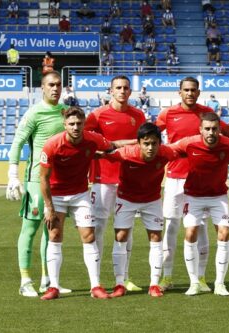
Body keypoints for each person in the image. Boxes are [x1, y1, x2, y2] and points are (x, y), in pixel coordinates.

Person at [156, 77, 229, 292]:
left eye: (193, 90)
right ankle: (167, 277)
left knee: (199, 228)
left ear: (199, 92)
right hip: (176, 177)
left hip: (202, 180)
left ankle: (201, 278)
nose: (190, 93)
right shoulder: (168, 113)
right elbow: (151, 134)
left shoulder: (206, 115)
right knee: (172, 225)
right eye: (186, 90)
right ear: (179, 92)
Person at [38, 107, 117, 300]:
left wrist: (134, 144)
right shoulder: (52, 145)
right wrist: (49, 207)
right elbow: (43, 179)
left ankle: (95, 286)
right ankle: (53, 287)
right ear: (64, 125)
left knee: (89, 236)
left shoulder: (93, 139)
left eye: (79, 123)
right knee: (55, 235)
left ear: (84, 123)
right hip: (56, 195)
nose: (75, 127)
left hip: (81, 194)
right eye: (71, 124)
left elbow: (112, 147)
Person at [6, 72, 72, 297]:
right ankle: (25, 280)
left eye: (59, 85)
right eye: (51, 85)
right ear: (42, 88)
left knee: (51, 229)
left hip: (59, 180)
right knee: (31, 228)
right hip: (37, 179)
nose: (55, 88)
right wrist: (13, 175)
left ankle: (48, 280)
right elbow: (18, 142)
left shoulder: (64, 111)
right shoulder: (34, 112)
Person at [171, 113, 229, 296]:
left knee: (224, 233)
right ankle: (194, 282)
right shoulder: (188, 143)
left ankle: (220, 283)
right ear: (200, 129)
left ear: (220, 129)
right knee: (190, 233)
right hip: (193, 196)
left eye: (214, 129)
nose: (211, 132)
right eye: (207, 128)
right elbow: (166, 150)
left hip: (218, 196)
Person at [84, 75, 146, 293]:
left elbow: (144, 144)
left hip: (129, 179)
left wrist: (117, 148)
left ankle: (124, 277)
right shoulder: (98, 115)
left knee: (125, 229)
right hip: (103, 179)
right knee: (98, 227)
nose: (122, 91)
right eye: (118, 87)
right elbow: (88, 141)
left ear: (130, 92)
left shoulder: (138, 115)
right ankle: (97, 278)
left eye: (126, 88)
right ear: (110, 91)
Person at [104, 123, 179, 298]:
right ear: (139, 143)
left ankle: (154, 284)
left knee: (155, 238)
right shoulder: (126, 153)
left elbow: (185, 150)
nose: (150, 147)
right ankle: (119, 283)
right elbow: (101, 152)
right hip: (126, 199)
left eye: (154, 143)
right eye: (146, 143)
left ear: (160, 143)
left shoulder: (167, 153)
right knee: (121, 236)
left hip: (152, 200)